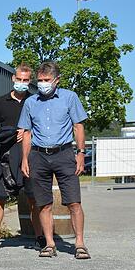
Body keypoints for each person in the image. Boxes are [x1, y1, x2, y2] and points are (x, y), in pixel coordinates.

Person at [20, 61, 90, 259]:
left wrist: (81, 153)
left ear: (57, 80)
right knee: (43, 203)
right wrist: (25, 159)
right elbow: (26, 133)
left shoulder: (70, 98)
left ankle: (79, 244)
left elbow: (78, 126)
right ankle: (49, 244)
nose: (42, 84)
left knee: (73, 202)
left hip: (64, 153)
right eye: (40, 80)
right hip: (38, 155)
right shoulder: (30, 102)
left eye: (47, 80)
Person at [0, 63, 44, 252]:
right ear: (13, 79)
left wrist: (28, 135)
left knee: (34, 199)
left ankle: (40, 237)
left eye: (26, 80)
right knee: (0, 197)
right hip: (7, 157)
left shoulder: (35, 101)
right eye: (19, 79)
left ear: (30, 81)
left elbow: (41, 129)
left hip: (30, 157)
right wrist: (12, 133)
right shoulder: (0, 102)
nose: (22, 83)